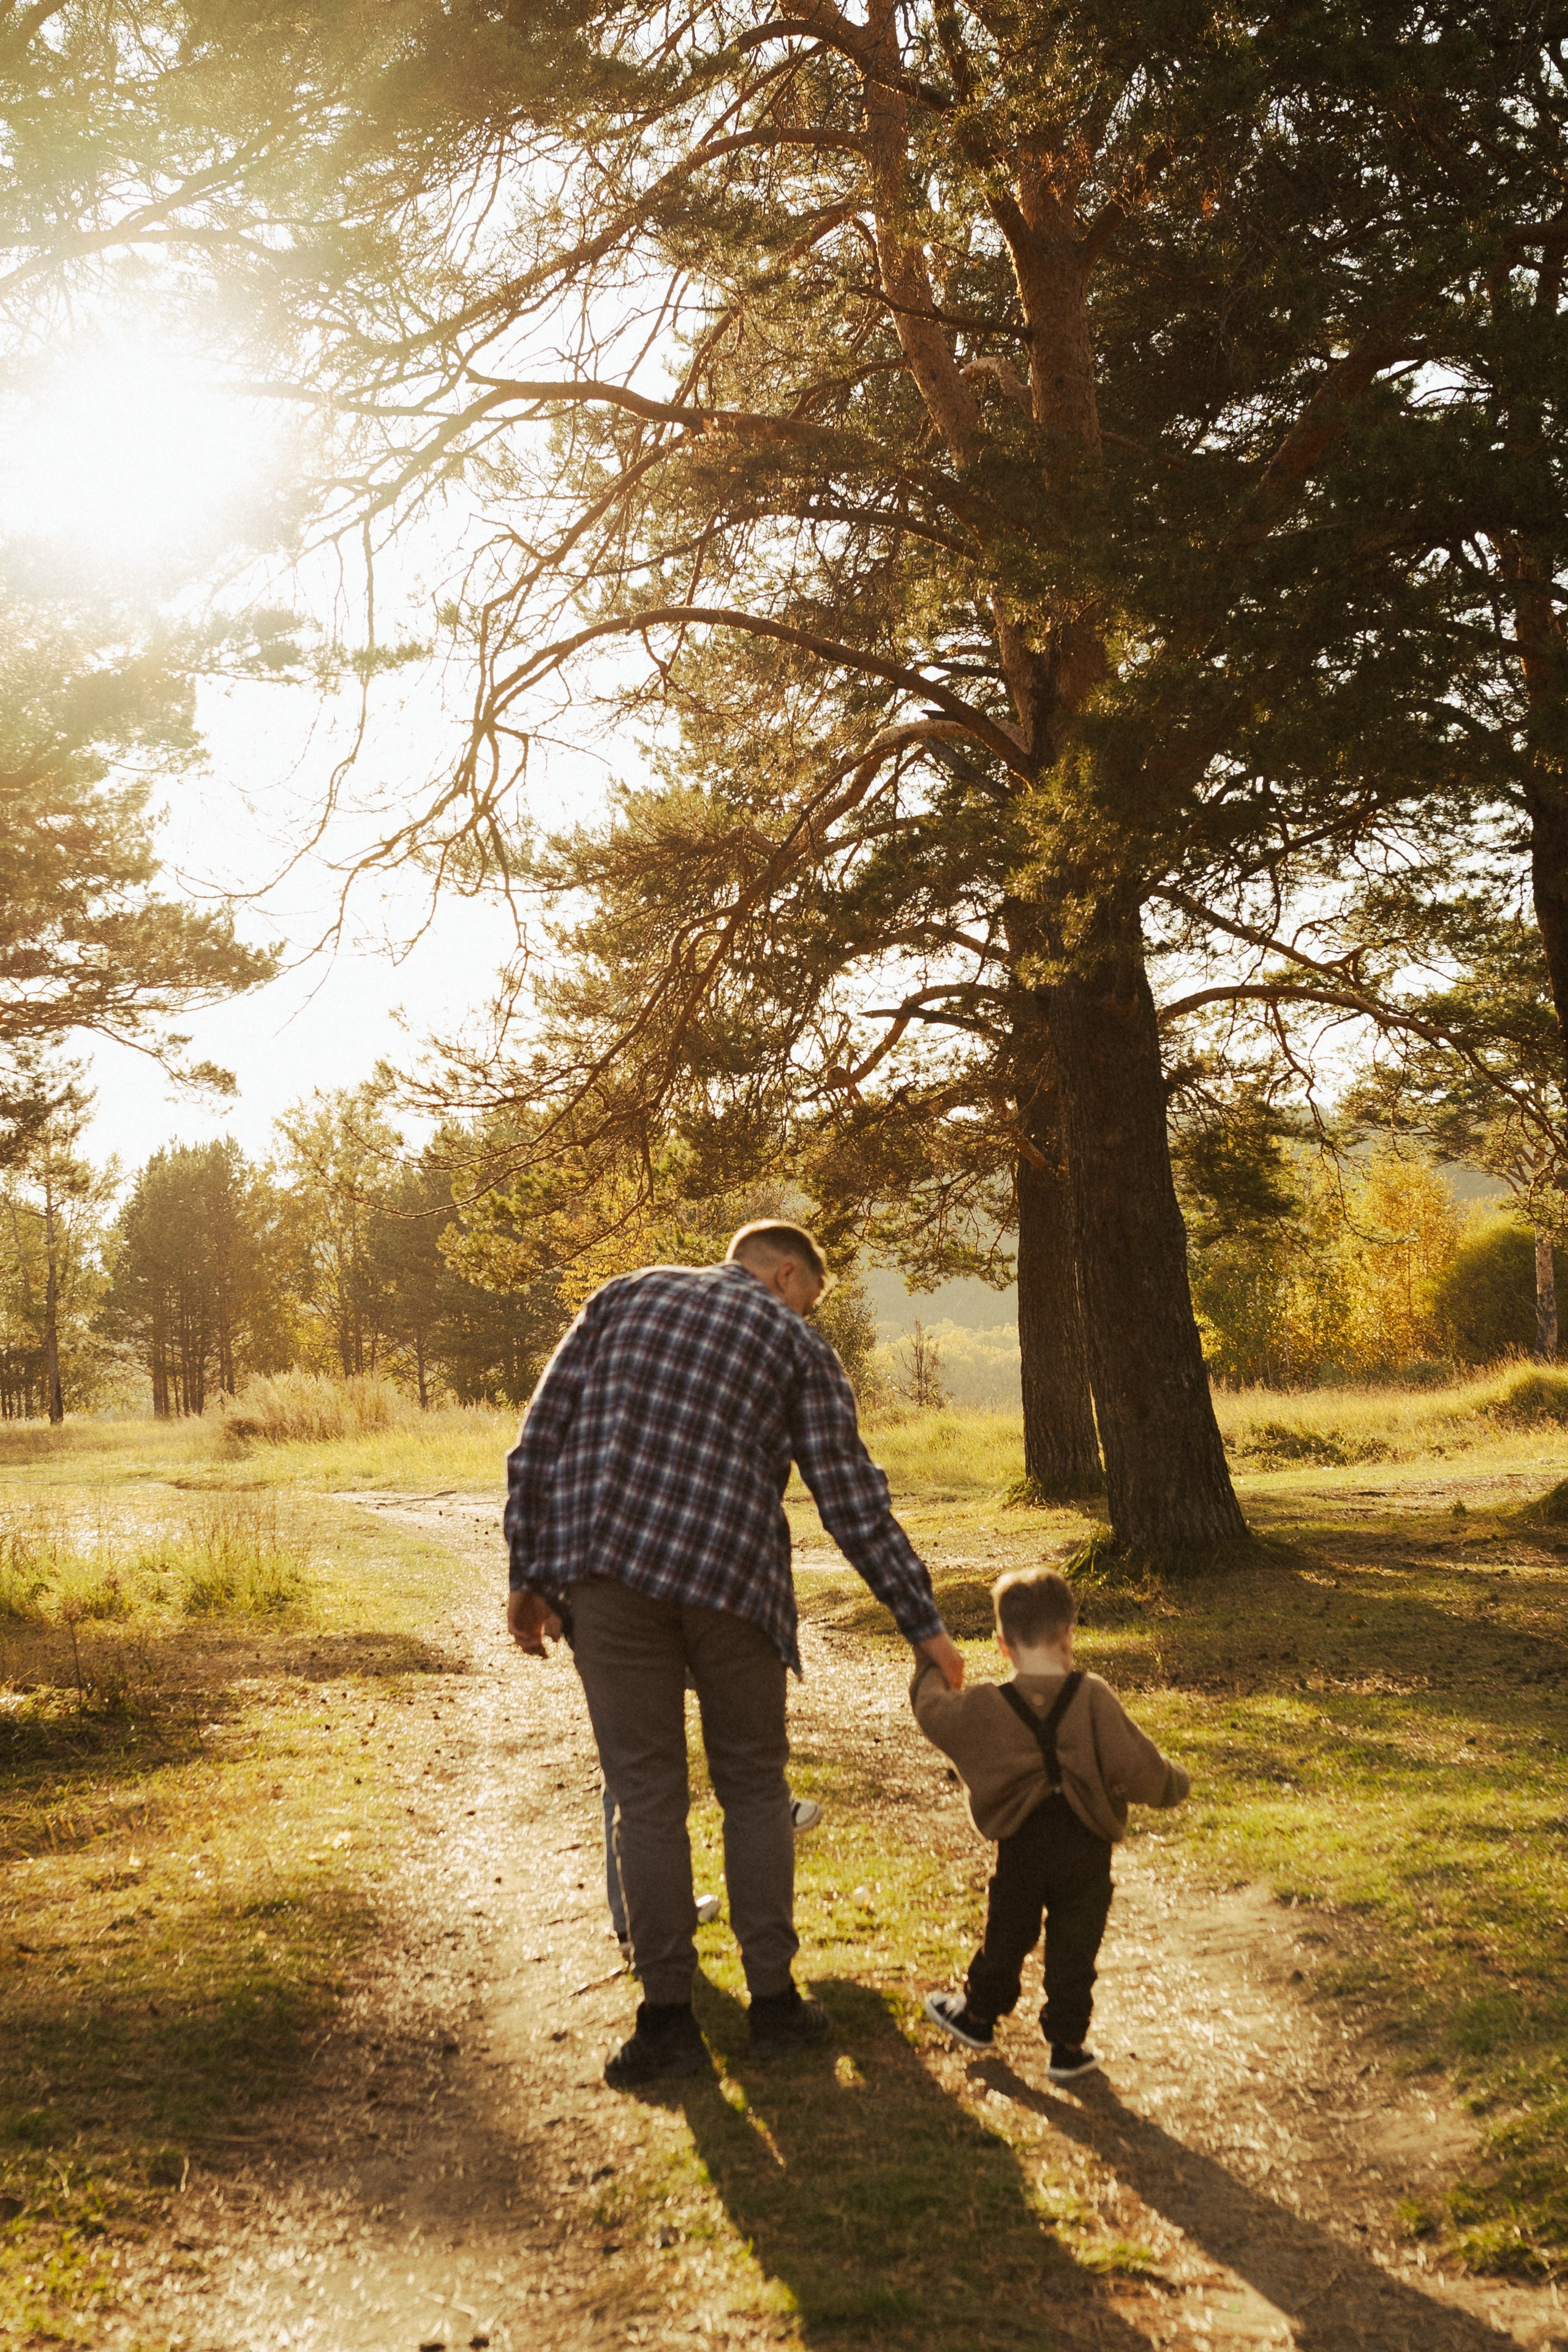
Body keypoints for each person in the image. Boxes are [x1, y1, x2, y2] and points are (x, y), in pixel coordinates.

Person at [506, 1221, 962, 2086]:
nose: (807, 1313)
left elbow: (538, 1441)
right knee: (754, 1787)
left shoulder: (622, 1296)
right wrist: (922, 1623)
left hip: (607, 1577)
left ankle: (666, 2023)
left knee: (645, 1796)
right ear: (786, 1275)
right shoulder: (797, 1345)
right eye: (810, 1299)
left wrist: (527, 1574)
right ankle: (776, 2008)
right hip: (735, 1582)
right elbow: (850, 1499)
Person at [911, 1565, 1189, 2082]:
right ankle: (1067, 2045)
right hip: (1087, 1848)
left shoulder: (987, 1706)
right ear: (1068, 1634)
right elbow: (1138, 1765)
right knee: (1075, 1946)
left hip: (1023, 1847)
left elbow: (934, 1712)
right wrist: (1174, 1783)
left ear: (1002, 1645)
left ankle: (978, 2016)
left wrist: (930, 1665)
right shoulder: (1093, 1696)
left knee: (1008, 1933)